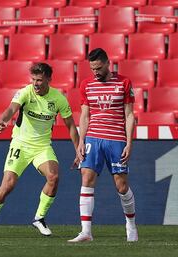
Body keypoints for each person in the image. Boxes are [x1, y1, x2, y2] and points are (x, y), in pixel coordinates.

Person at [0, 63, 80, 237]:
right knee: (7, 185)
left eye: (39, 80)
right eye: (33, 79)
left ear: (49, 79)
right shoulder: (26, 92)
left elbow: (70, 125)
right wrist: (4, 120)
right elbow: (12, 108)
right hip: (20, 144)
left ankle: (39, 218)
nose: (36, 83)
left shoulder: (59, 99)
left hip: (42, 147)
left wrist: (78, 150)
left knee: (53, 177)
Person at [68, 48, 138, 243]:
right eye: (92, 69)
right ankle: (86, 232)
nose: (95, 72)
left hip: (116, 138)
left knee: (121, 186)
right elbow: (85, 115)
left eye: (98, 68)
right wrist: (81, 141)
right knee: (86, 178)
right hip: (93, 138)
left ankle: (131, 225)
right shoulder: (86, 85)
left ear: (108, 63)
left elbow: (130, 115)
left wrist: (129, 143)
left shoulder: (124, 82)